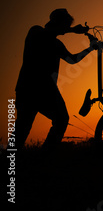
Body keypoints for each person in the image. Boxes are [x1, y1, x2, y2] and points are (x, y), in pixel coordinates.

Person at [15, 8, 95, 150]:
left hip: (42, 89)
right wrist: (71, 30)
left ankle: (43, 158)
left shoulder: (57, 43)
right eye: (65, 25)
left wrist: (90, 49)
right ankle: (15, 165)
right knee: (23, 129)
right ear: (57, 22)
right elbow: (49, 34)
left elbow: (72, 60)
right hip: (32, 88)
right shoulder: (36, 31)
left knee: (59, 120)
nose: (66, 29)